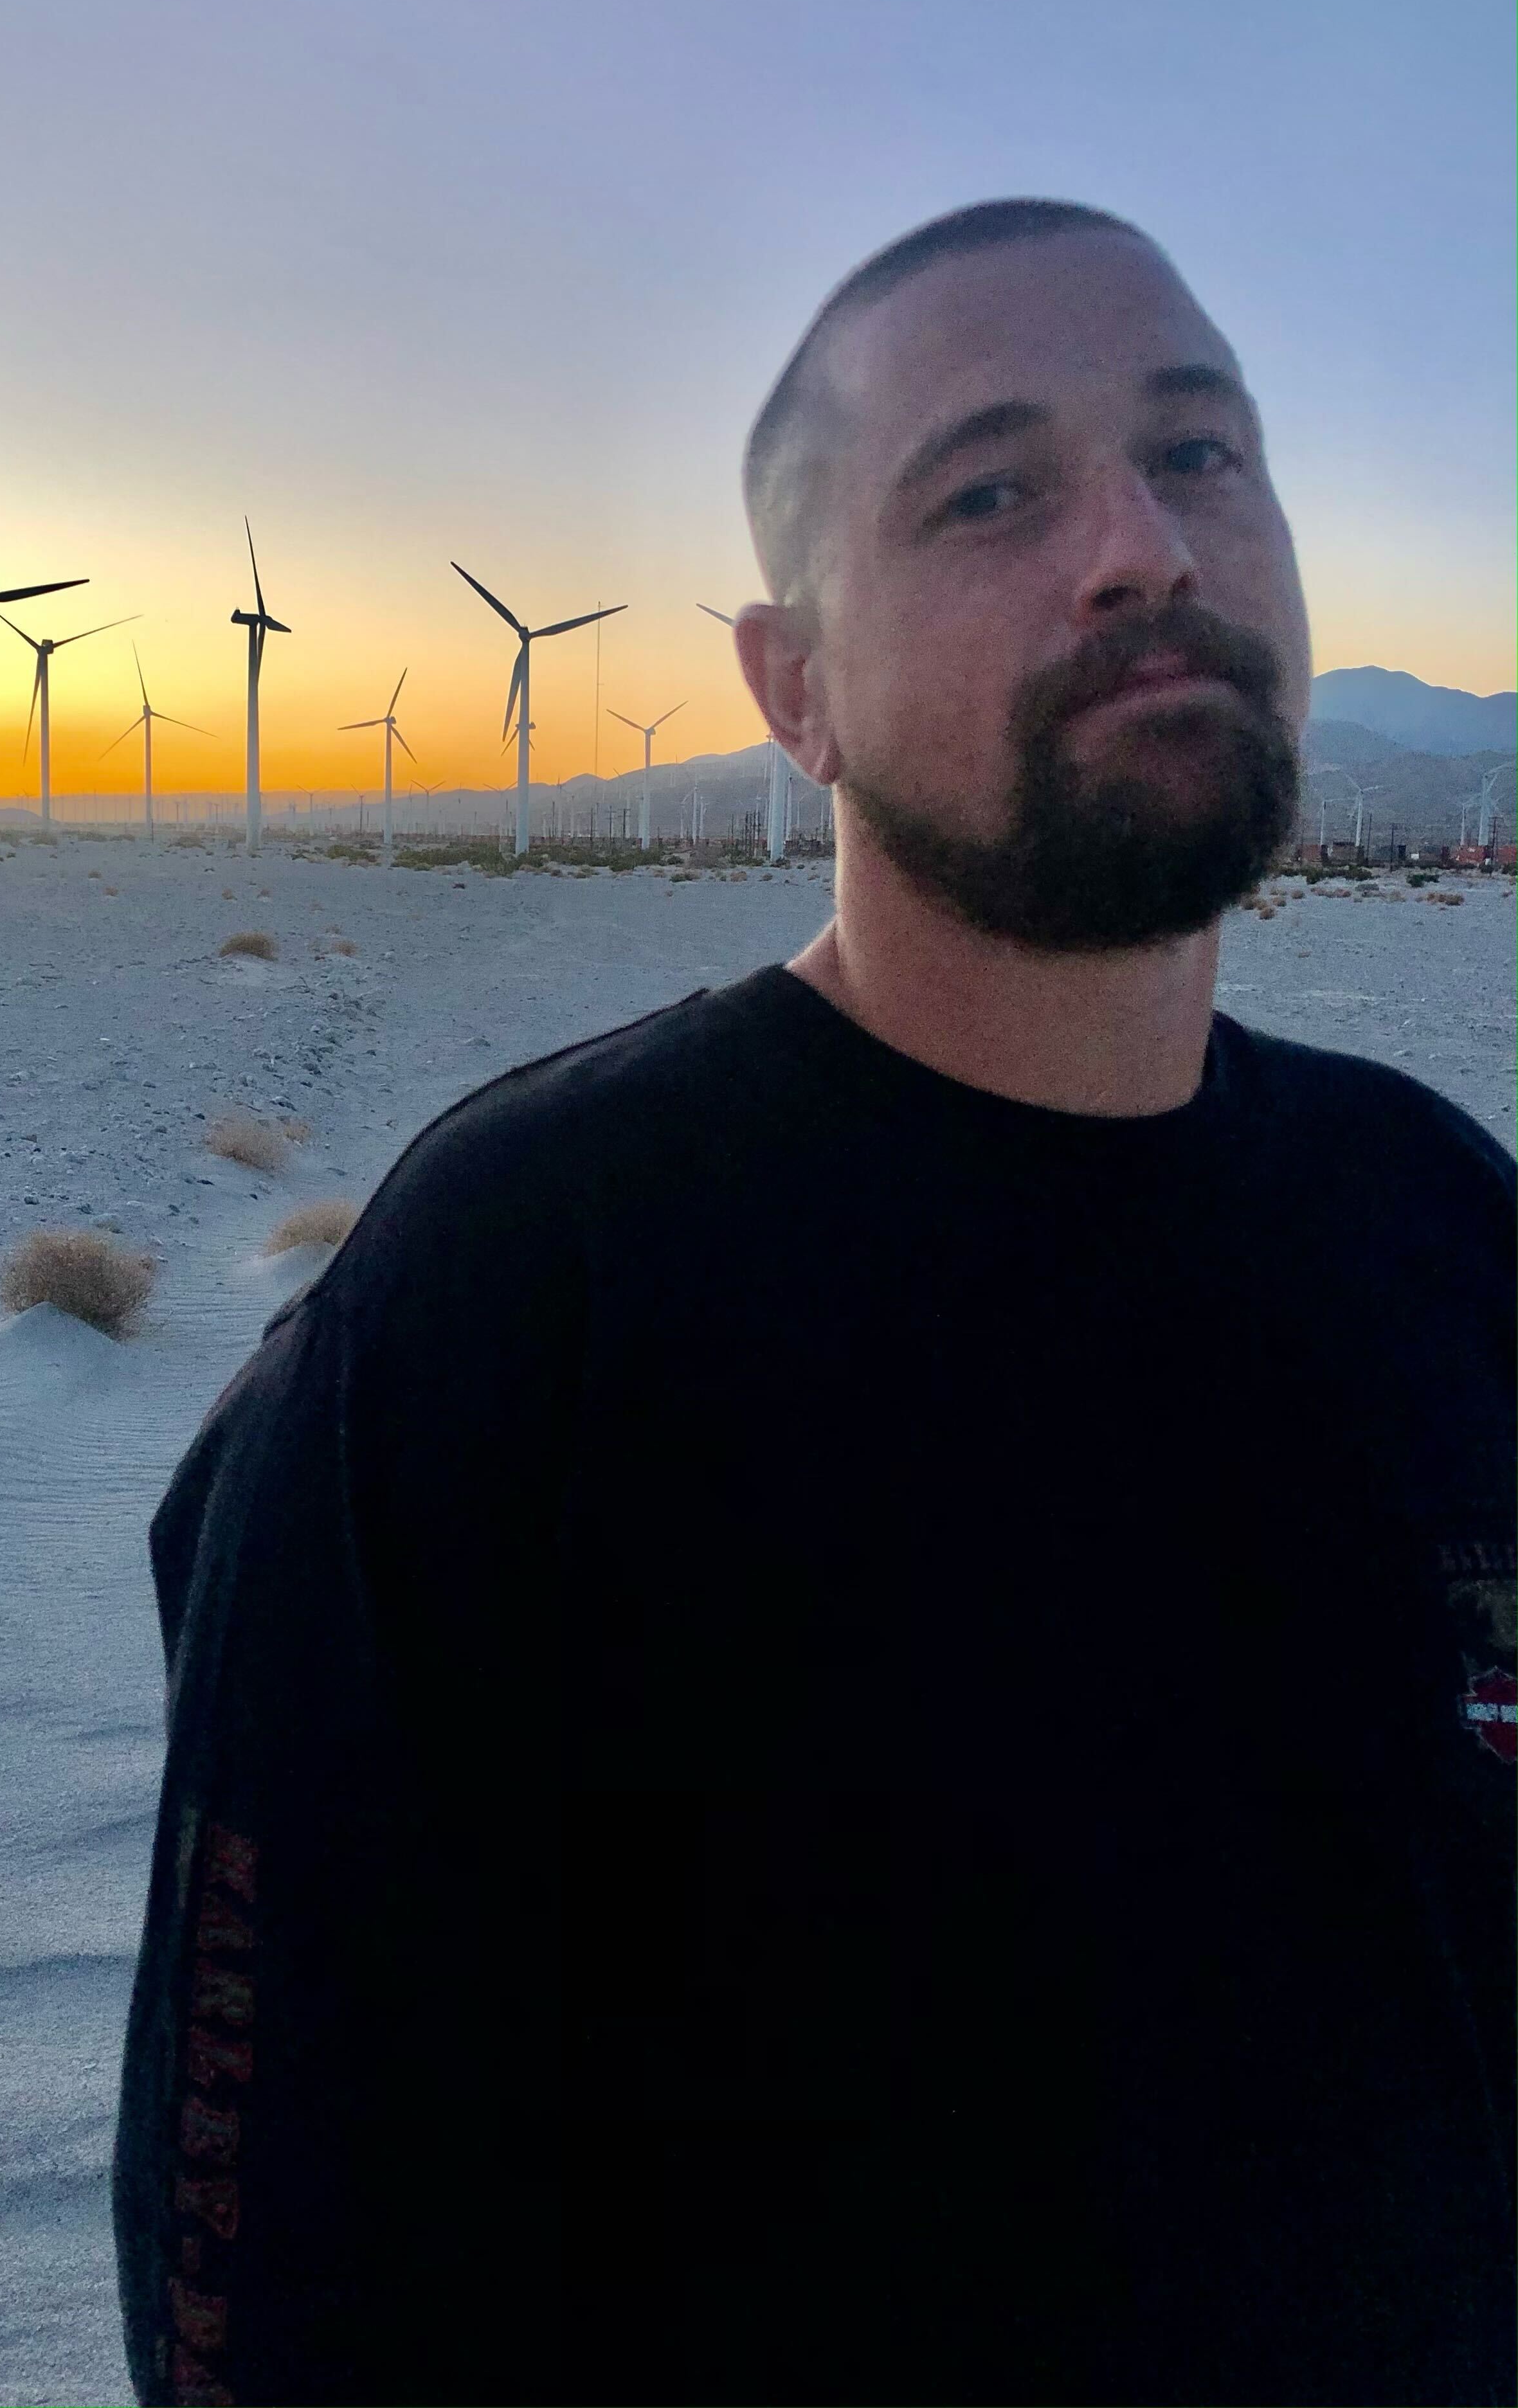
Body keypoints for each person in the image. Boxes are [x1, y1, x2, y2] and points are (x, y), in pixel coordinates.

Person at [112, 199, 1515, 2407]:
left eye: (1200, 453)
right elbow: (266, 2253)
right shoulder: (506, 1308)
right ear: (795, 692)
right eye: (991, 489)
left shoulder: (1444, 1224)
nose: (1140, 548)